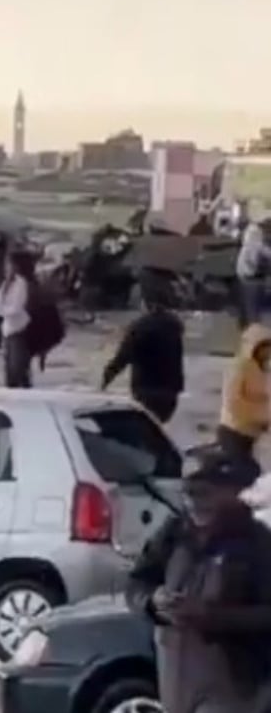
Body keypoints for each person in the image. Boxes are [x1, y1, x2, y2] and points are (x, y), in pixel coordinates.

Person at [126, 453, 271, 713]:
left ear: (231, 493)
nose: (193, 503)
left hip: (235, 690)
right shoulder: (173, 533)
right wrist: (153, 601)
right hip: (176, 684)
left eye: (204, 493)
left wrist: (211, 616)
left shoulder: (257, 543)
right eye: (187, 494)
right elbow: (137, 583)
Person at [101, 274, 185, 423]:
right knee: (157, 427)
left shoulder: (140, 327)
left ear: (146, 304)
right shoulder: (174, 327)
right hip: (170, 393)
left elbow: (123, 356)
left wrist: (107, 376)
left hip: (146, 390)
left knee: (145, 427)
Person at [217, 323, 271, 483]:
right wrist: (260, 416)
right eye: (264, 347)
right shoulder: (239, 367)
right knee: (247, 471)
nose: (268, 352)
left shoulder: (262, 369)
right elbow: (233, 401)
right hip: (234, 429)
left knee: (243, 471)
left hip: (251, 431)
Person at [0, 249, 35, 388]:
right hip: (7, 328)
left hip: (18, 327)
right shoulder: (5, 284)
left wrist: (4, 310)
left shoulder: (21, 283)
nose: (6, 268)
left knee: (17, 364)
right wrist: (3, 310)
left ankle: (23, 386)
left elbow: (17, 306)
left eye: (9, 264)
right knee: (9, 366)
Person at [235, 217, 271, 329]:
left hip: (246, 278)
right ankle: (251, 331)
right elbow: (255, 259)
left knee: (248, 312)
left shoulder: (251, 241)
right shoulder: (255, 238)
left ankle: (248, 330)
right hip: (252, 279)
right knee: (252, 314)